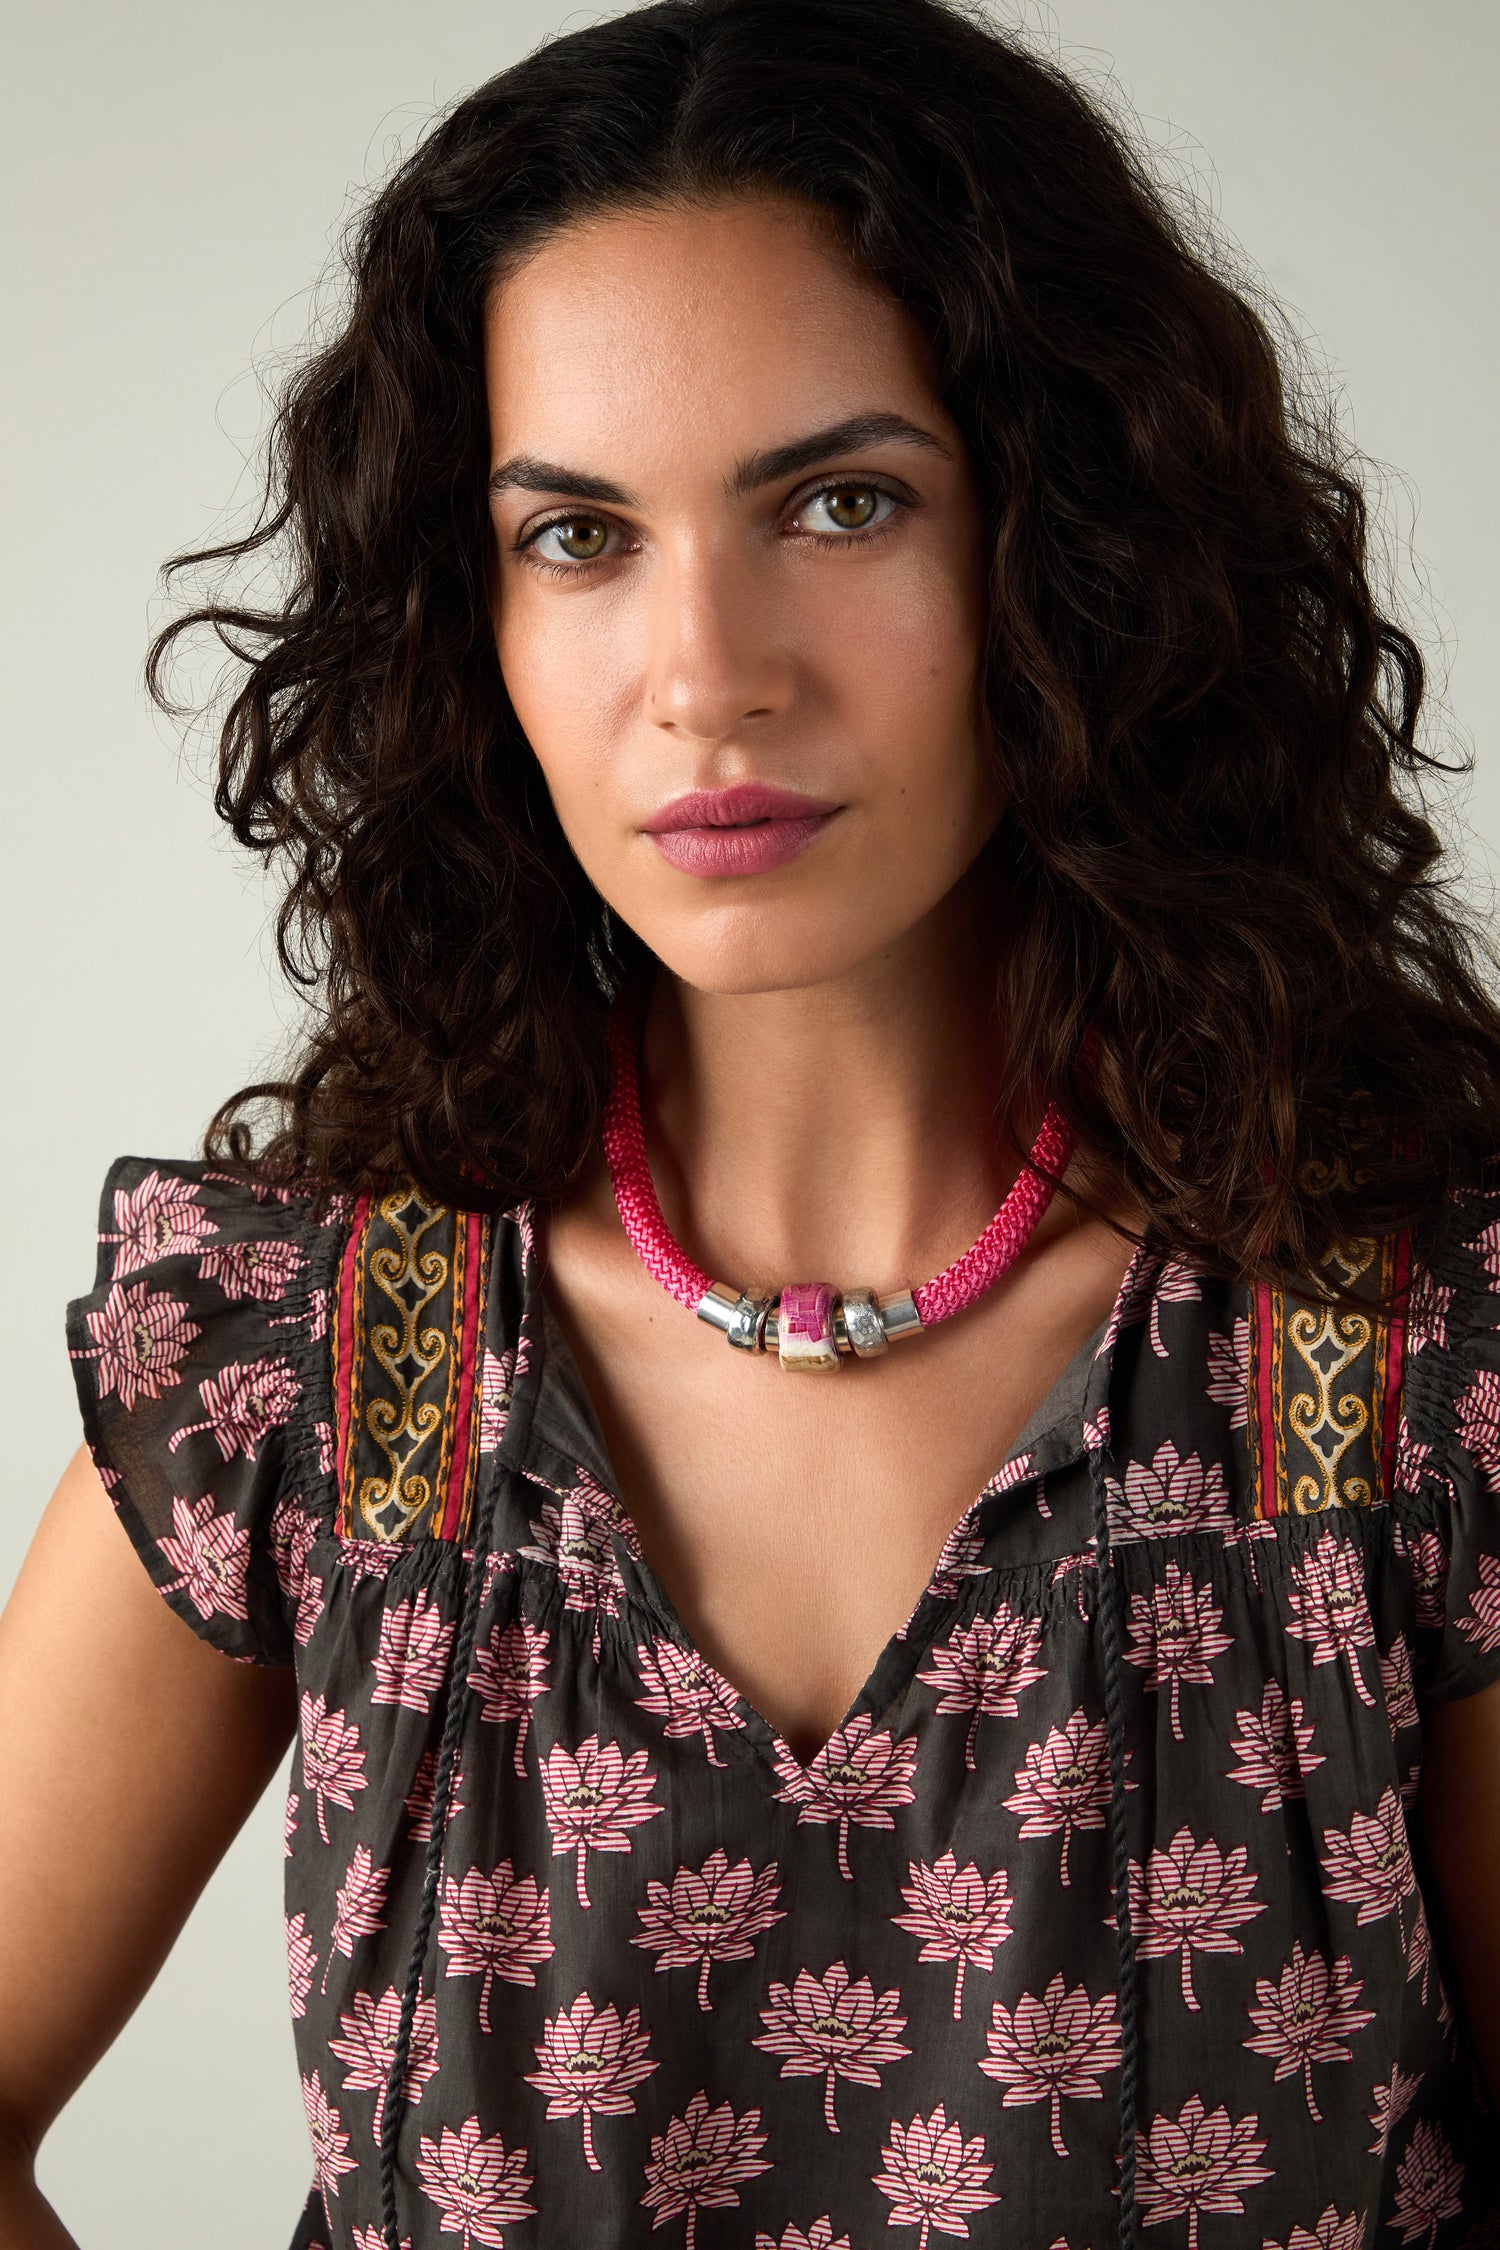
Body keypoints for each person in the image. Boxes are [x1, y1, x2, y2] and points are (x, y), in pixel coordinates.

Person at [4, 0, 1500, 2243]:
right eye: (580, 535)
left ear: (1067, 549)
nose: (710, 670)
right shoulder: (308, 1363)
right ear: (466, 619)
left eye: (843, 501)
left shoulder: (1408, 1361)